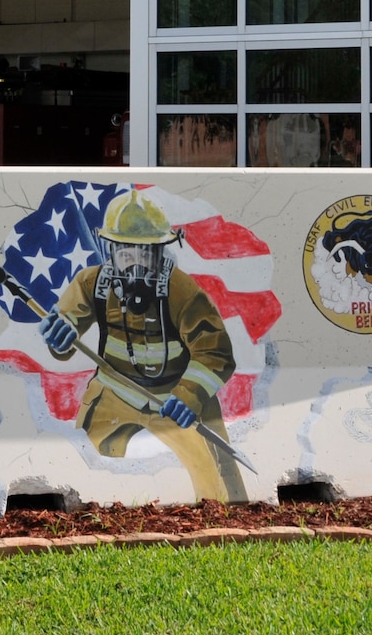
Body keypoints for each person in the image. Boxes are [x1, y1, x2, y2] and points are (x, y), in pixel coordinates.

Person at [37, 190, 245, 501]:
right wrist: (60, 334)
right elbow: (66, 332)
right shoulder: (92, 284)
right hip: (114, 394)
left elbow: (215, 352)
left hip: (174, 399)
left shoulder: (181, 290)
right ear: (111, 251)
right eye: (126, 254)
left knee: (217, 484)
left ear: (160, 253)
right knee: (80, 459)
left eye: (146, 254)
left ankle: (225, 525)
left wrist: (189, 395)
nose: (136, 266)